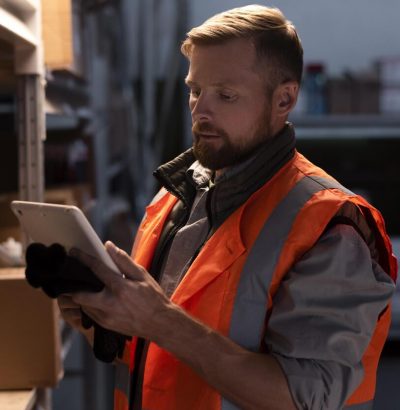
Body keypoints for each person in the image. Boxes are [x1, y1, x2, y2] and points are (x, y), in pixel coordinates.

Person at [58, 5, 397, 410]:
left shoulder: (328, 226)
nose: (201, 110)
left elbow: (301, 398)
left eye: (226, 95)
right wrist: (99, 317)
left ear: (284, 99)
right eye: (195, 89)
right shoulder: (176, 197)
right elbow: (155, 350)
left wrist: (156, 319)